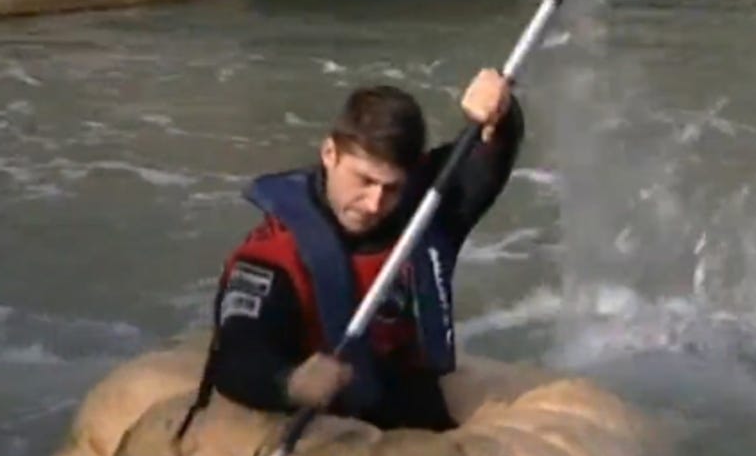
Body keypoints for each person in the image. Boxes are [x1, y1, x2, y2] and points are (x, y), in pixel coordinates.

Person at [204, 68, 523, 432]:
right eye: (364, 180)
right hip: (324, 429)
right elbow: (235, 358)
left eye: (390, 187)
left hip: (414, 419)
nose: (374, 203)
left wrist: (501, 113)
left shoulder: (425, 208)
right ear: (330, 153)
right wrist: (289, 383)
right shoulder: (274, 255)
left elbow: (490, 155)